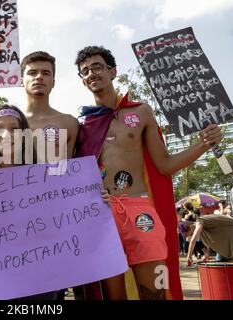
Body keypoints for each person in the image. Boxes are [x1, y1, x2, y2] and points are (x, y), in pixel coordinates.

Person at [74, 45, 223, 300]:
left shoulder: (141, 111)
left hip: (141, 212)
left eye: (96, 67)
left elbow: (164, 165)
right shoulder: (83, 125)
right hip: (102, 214)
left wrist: (203, 144)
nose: (91, 74)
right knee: (112, 296)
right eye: (84, 71)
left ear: (113, 72)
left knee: (155, 291)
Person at [0, 104, 111, 300]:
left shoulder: (46, 178)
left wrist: (98, 204)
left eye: (14, 129)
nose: (7, 135)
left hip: (40, 284)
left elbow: (70, 220)